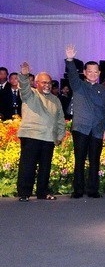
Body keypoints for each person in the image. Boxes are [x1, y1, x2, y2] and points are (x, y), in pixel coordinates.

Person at [64, 44, 105, 199]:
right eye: (89, 71)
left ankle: (93, 190)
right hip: (81, 128)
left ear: (99, 73)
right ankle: (78, 190)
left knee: (94, 161)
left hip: (97, 129)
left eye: (95, 71)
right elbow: (72, 75)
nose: (92, 74)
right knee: (79, 160)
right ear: (84, 72)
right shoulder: (79, 85)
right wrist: (70, 60)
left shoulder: (104, 90)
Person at [15, 62, 65, 202]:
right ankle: (24, 193)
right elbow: (24, 87)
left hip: (49, 137)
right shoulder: (30, 94)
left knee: (45, 167)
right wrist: (24, 75)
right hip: (31, 136)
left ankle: (42, 192)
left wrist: (60, 135)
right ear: (36, 83)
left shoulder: (55, 99)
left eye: (49, 83)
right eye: (44, 82)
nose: (47, 85)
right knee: (28, 166)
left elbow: (60, 119)